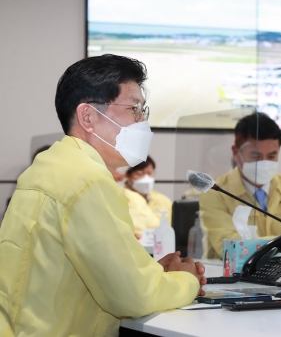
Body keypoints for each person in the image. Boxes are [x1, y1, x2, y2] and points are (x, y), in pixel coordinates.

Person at [0, 54, 205, 336]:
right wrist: (187, 280)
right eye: (134, 109)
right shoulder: (88, 180)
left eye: (144, 111)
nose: (143, 122)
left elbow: (82, 269)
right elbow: (134, 297)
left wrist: (151, 274)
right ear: (88, 116)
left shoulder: (50, 166)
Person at [199, 112, 281, 259]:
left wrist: (261, 244)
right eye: (255, 156)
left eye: (271, 156)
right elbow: (231, 249)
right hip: (232, 277)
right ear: (236, 153)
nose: (264, 163)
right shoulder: (216, 192)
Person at [123, 156, 173, 236]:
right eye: (139, 174)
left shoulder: (164, 201)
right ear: (128, 176)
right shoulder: (121, 197)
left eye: (149, 173)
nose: (146, 178)